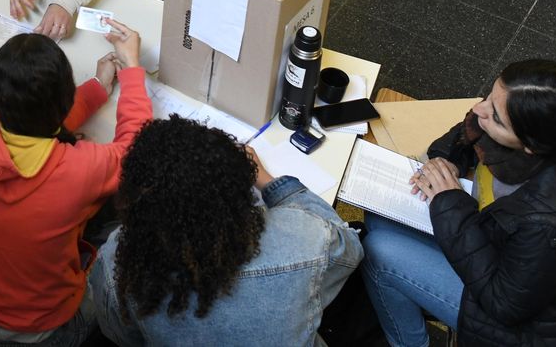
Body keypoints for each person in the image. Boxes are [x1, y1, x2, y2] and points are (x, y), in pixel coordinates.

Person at [361, 59, 556, 347]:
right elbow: (468, 128)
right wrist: (448, 160)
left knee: (378, 251)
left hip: (518, 328)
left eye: (496, 117)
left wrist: (450, 202)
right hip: (493, 245)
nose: (479, 109)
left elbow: (503, 304)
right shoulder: (528, 121)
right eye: (489, 97)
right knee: (379, 217)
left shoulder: (550, 224)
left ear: (530, 146)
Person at [0, 25, 151, 346]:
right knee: (133, 234)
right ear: (64, 102)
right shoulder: (79, 168)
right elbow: (135, 150)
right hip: (43, 333)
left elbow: (30, 119)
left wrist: (95, 88)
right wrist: (132, 69)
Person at [91, 117, 363, 345]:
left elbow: (122, 335)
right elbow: (349, 246)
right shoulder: (303, 240)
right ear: (238, 194)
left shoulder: (117, 264)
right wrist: (267, 181)